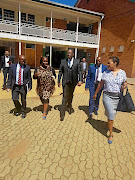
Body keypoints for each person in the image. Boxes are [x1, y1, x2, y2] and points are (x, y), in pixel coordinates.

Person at [93, 56, 127, 144]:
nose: (107, 64)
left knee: (111, 113)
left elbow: (125, 82)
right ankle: (111, 134)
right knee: (111, 114)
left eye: (109, 63)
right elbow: (100, 84)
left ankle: (109, 118)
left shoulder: (122, 73)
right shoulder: (105, 73)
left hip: (117, 97)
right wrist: (96, 94)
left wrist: (124, 86)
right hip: (107, 96)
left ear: (115, 63)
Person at [58, 49, 82, 121]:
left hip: (73, 82)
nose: (68, 55)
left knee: (71, 95)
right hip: (65, 82)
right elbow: (60, 72)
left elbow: (79, 72)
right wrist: (58, 80)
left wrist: (80, 80)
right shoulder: (63, 61)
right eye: (68, 53)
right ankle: (62, 114)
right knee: (65, 96)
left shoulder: (77, 62)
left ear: (73, 54)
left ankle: (69, 107)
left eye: (70, 53)